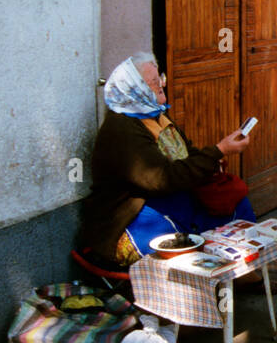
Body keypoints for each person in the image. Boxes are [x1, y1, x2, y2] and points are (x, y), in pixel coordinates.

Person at [77, 53, 254, 267]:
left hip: (173, 196)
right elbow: (161, 179)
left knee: (234, 203)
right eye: (153, 82)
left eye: (160, 77)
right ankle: (197, 286)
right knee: (174, 238)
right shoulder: (122, 128)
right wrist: (218, 150)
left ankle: (242, 268)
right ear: (134, 88)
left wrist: (217, 156)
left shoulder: (157, 115)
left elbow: (187, 156)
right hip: (130, 215)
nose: (161, 84)